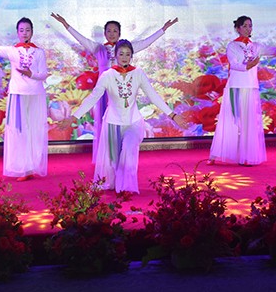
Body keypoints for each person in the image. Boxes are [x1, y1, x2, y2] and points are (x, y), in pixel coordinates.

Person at [50, 13, 179, 163]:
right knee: (105, 126)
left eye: (115, 31)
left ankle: (123, 155)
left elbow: (145, 43)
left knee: (123, 123)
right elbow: (80, 39)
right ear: (105, 33)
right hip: (103, 93)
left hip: (121, 93)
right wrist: (66, 25)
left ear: (120, 33)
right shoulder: (98, 49)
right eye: (109, 31)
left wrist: (163, 29)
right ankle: (106, 158)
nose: (112, 34)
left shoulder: (125, 49)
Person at [63, 40, 186, 193]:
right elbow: (93, 97)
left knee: (128, 148)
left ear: (132, 56)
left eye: (128, 54)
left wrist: (172, 115)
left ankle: (126, 187)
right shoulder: (107, 75)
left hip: (133, 121)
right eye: (121, 54)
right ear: (115, 56)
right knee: (113, 161)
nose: (124, 57)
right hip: (112, 123)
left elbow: (153, 95)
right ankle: (114, 184)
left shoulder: (138, 73)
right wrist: (74, 117)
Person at [208, 16, 276, 166]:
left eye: (250, 25)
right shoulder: (233, 46)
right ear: (238, 28)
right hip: (236, 86)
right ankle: (217, 154)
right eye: (245, 26)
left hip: (251, 87)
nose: (248, 28)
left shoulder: (256, 46)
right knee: (233, 121)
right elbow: (234, 65)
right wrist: (250, 64)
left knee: (248, 123)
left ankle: (245, 157)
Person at [0, 16, 48, 181]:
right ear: (17, 32)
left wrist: (31, 74)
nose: (24, 33)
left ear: (32, 32)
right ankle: (23, 168)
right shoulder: (12, 50)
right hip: (18, 94)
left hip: (36, 95)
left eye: (27, 30)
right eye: (21, 30)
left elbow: (43, 74)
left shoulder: (39, 52)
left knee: (34, 131)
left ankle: (32, 166)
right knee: (19, 131)